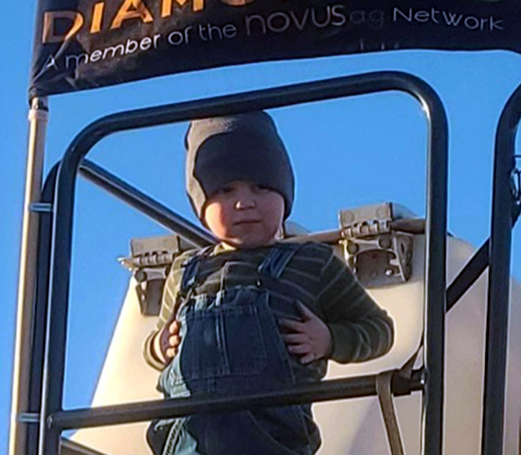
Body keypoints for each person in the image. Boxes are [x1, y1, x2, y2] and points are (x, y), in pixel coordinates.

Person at [144, 111, 395, 455]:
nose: (244, 201)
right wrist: (159, 346)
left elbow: (379, 328)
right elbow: (158, 350)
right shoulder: (184, 270)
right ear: (201, 205)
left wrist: (330, 340)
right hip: (187, 442)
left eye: (261, 186)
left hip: (273, 443)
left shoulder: (313, 262)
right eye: (225, 189)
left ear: (284, 193)